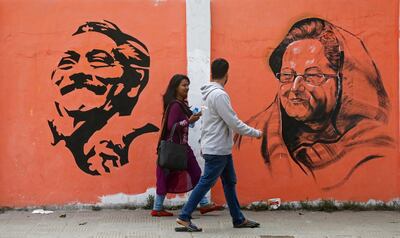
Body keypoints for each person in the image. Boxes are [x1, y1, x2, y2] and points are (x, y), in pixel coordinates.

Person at [236, 18, 395, 190]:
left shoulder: (374, 148)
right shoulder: (254, 139)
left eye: (312, 76)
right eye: (287, 76)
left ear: (343, 82)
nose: (295, 88)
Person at [48, 20, 159, 175]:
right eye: (67, 63)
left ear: (135, 81)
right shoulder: (56, 138)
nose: (78, 72)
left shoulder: (137, 142)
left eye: (98, 61)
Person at [176, 58, 263, 231]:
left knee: (229, 181)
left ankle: (238, 219)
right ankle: (184, 216)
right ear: (226, 74)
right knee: (206, 181)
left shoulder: (209, 94)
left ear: (212, 73)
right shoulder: (219, 95)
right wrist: (256, 133)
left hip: (218, 147)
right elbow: (233, 122)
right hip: (217, 149)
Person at [152, 74, 224, 217]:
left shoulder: (182, 105)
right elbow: (172, 125)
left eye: (188, 85)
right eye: (184, 85)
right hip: (173, 148)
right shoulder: (175, 105)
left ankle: (203, 204)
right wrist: (188, 121)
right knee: (164, 176)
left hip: (182, 148)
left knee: (196, 173)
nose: (187, 88)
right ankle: (157, 208)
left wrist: (195, 117)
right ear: (176, 87)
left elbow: (185, 122)